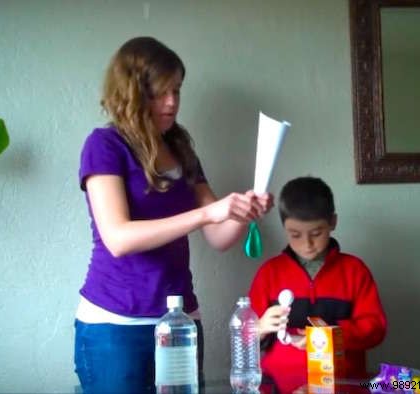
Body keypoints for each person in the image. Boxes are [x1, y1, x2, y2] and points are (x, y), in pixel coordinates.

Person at [73, 36, 273, 394]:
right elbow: (118, 238)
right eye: (159, 93)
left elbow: (219, 237)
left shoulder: (180, 148)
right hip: (116, 325)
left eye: (177, 91)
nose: (171, 103)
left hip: (181, 320)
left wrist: (243, 211)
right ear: (131, 93)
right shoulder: (105, 146)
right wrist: (207, 214)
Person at [248, 176, 386, 389]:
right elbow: (243, 340)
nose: (307, 244)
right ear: (284, 228)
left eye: (316, 233)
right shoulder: (270, 273)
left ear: (333, 222)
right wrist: (259, 328)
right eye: (295, 235)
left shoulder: (354, 271)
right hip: (278, 386)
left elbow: (375, 329)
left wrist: (331, 335)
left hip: (342, 384)